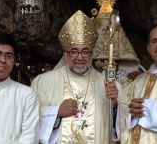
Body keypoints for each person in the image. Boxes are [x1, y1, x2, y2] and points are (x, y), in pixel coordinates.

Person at [31, 10, 118, 144]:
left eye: (85, 51)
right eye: (74, 51)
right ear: (66, 54)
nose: (80, 57)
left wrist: (115, 104)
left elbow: (120, 124)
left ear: (91, 55)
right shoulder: (43, 82)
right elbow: (29, 121)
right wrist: (56, 113)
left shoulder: (106, 83)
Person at [91, 0, 141, 84]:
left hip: (113, 35)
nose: (105, 1)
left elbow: (116, 24)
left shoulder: (114, 15)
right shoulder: (99, 15)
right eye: (104, 0)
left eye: (108, 0)